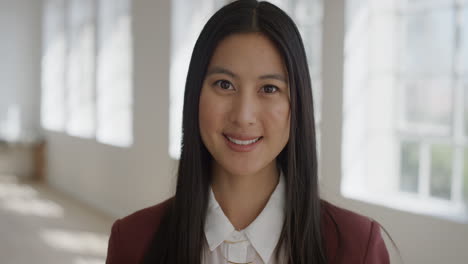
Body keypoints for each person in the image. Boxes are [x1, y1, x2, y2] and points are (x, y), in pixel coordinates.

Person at [105, 1, 390, 263]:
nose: (243, 116)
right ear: (195, 95)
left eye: (269, 89)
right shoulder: (132, 241)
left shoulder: (357, 247)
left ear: (298, 105)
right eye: (224, 85)